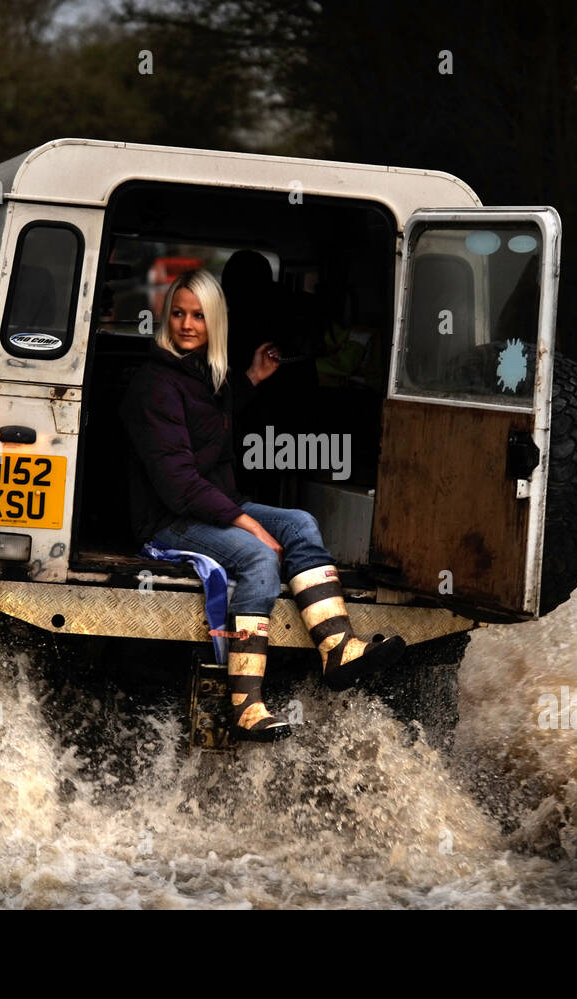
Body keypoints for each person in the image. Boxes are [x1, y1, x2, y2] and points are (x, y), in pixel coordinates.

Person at [119, 268, 406, 742]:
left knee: (298, 523)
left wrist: (253, 376)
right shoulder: (154, 383)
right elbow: (178, 483)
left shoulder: (202, 375)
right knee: (258, 555)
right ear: (166, 317)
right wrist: (248, 523)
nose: (187, 324)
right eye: (178, 314)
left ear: (215, 324)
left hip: (208, 506)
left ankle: (338, 648)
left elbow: (213, 416)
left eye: (198, 316)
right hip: (169, 519)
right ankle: (246, 707)